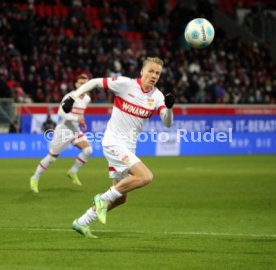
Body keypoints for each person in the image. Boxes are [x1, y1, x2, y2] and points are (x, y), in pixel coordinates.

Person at [62, 57, 175, 238]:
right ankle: (102, 198)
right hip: (113, 142)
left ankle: (82, 221)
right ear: (142, 71)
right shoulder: (126, 84)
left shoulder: (158, 96)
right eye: (151, 71)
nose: (154, 75)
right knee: (145, 176)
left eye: (157, 73)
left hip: (128, 148)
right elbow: (95, 82)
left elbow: (167, 123)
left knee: (121, 197)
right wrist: (73, 97)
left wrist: (169, 108)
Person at [30, 74, 92, 193]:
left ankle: (72, 172)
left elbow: (80, 113)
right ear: (76, 84)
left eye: (85, 84)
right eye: (81, 83)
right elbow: (61, 113)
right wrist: (76, 118)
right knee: (52, 158)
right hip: (63, 130)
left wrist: (81, 120)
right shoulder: (70, 97)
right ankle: (35, 178)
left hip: (75, 130)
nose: (83, 86)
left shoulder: (87, 99)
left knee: (88, 150)